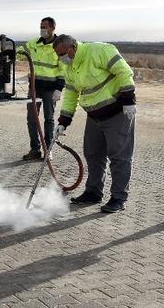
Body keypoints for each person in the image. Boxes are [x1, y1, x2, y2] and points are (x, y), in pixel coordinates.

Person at [52, 34, 136, 213]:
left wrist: (129, 100)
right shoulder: (69, 66)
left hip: (118, 113)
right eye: (58, 55)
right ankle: (93, 192)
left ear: (73, 47)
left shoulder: (100, 50)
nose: (61, 59)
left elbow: (124, 71)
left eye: (63, 54)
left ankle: (119, 198)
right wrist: (63, 121)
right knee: (93, 154)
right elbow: (71, 95)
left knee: (119, 157)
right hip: (94, 116)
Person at [17, 17, 65, 161]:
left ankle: (47, 149)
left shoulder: (58, 46)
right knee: (32, 119)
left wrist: (59, 88)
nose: (42, 29)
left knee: (48, 119)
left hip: (50, 89)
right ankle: (35, 149)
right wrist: (8, 50)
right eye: (41, 26)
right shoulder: (34, 43)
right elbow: (20, 51)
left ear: (52, 28)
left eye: (45, 27)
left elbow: (63, 70)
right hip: (35, 88)